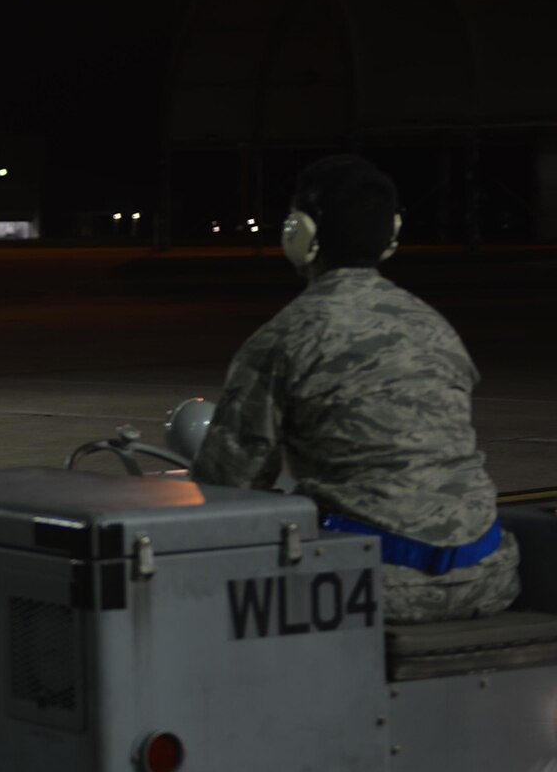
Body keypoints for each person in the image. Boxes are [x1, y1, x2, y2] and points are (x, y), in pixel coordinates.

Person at [191, 154, 518, 623]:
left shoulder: (283, 339)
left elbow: (227, 490)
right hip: (488, 574)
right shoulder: (435, 327)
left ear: (300, 235)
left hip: (373, 584)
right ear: (391, 236)